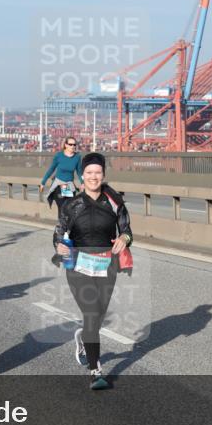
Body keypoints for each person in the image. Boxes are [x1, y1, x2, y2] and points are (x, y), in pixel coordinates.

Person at [53, 152, 132, 391]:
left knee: (97, 314)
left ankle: (83, 340)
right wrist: (58, 245)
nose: (93, 177)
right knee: (90, 312)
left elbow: (127, 228)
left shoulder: (115, 202)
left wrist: (125, 238)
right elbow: (59, 232)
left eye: (97, 172)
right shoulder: (71, 205)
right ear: (82, 176)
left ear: (104, 175)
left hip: (107, 265)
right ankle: (95, 371)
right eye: (89, 173)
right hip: (78, 265)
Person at [40, 137, 83, 213]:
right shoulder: (59, 156)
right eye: (70, 144)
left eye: (74, 144)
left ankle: (65, 223)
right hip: (59, 184)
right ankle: (61, 224)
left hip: (69, 185)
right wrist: (43, 182)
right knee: (62, 207)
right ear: (66, 145)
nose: (73, 146)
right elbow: (51, 169)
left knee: (69, 208)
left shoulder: (77, 157)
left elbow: (79, 172)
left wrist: (83, 183)